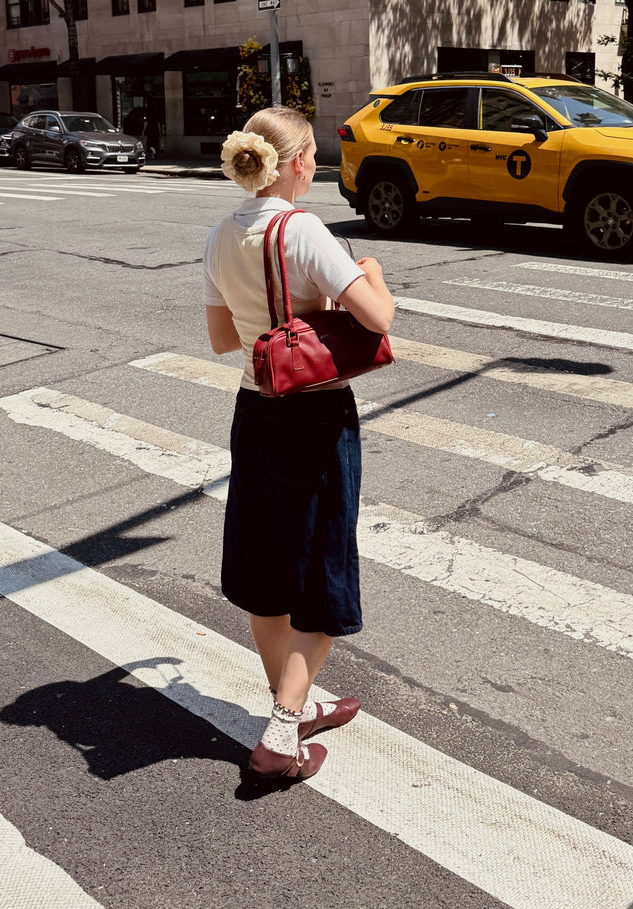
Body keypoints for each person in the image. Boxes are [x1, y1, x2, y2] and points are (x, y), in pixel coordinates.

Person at [203, 107, 394, 781]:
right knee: (325, 571)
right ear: (295, 161)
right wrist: (370, 273)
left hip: (255, 412)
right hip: (314, 418)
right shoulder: (304, 228)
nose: (318, 163)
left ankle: (297, 701)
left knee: (268, 570)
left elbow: (224, 339)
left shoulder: (222, 233)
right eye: (314, 152)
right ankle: (283, 731)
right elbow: (378, 319)